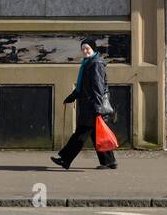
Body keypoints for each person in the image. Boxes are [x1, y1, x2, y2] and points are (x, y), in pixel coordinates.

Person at [51, 38, 118, 170]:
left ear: (93, 49)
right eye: (83, 49)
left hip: (92, 106)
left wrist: (98, 108)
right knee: (96, 134)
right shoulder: (88, 62)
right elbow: (84, 86)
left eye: (87, 48)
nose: (85, 51)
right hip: (90, 104)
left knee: (80, 135)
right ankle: (109, 161)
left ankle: (65, 159)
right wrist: (72, 96)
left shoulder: (96, 64)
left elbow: (98, 87)